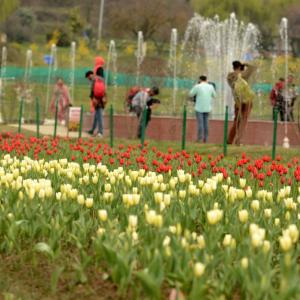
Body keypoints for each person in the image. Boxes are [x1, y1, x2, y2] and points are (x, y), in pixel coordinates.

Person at [227, 61, 256, 145]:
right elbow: (253, 67)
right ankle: (238, 141)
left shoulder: (230, 76)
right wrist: (245, 63)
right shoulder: (244, 74)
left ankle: (229, 140)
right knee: (243, 121)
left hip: (237, 101)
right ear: (240, 67)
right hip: (247, 101)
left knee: (237, 121)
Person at [189, 75, 216, 143]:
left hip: (199, 108)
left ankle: (199, 138)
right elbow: (215, 95)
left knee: (200, 124)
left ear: (200, 79)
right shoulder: (211, 86)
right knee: (206, 124)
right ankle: (206, 139)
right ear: (206, 79)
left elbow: (190, 94)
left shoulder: (198, 86)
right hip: (207, 108)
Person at [87, 57, 107, 137]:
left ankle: (100, 132)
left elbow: (100, 81)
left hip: (98, 95)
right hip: (99, 95)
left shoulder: (99, 69)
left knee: (99, 114)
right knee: (97, 114)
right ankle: (93, 129)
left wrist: (93, 78)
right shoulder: (99, 69)